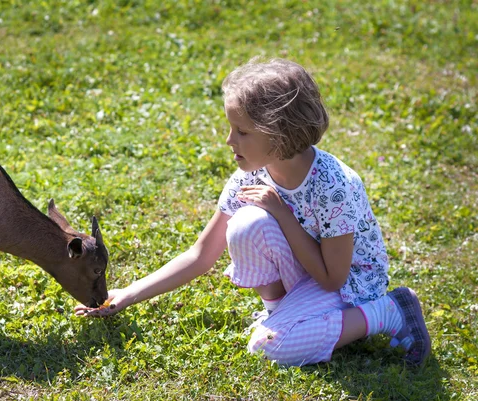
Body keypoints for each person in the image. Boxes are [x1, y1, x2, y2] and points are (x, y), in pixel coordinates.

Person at [75, 57, 431, 366]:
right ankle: (281, 315)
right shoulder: (251, 176)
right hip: (308, 274)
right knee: (245, 223)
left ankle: (388, 310)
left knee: (267, 348)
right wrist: (127, 294)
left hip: (350, 284)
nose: (230, 141)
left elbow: (332, 280)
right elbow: (201, 255)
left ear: (279, 134)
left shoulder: (333, 186)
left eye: (242, 131)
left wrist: (282, 213)